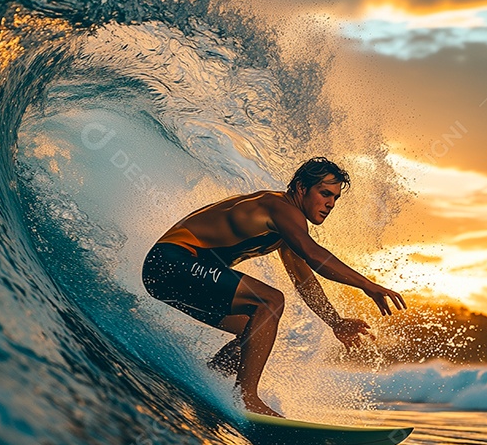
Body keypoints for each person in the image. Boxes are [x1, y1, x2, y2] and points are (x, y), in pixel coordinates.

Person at [141, 157, 406, 416]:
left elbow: (304, 280)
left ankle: (211, 381)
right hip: (171, 262)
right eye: (325, 193)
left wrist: (334, 321)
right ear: (302, 188)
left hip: (171, 273)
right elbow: (314, 255)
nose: (330, 203)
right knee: (270, 300)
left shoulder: (285, 228)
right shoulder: (279, 207)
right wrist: (366, 285)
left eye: (335, 198)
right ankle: (246, 398)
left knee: (255, 329)